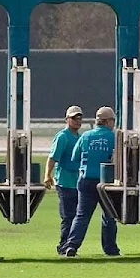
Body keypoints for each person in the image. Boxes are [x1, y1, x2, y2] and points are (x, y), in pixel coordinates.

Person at [62, 106, 119, 258]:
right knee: (109, 215)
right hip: (106, 182)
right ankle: (110, 249)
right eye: (113, 120)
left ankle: (71, 245)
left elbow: (75, 157)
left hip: (85, 180)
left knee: (81, 215)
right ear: (108, 121)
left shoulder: (86, 136)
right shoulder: (115, 137)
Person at [44, 105, 84, 255]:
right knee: (68, 217)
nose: (77, 121)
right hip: (65, 182)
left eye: (79, 118)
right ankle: (63, 246)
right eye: (74, 118)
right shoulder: (62, 137)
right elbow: (53, 157)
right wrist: (47, 175)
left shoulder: (80, 137)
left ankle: (70, 245)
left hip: (77, 182)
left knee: (75, 217)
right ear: (67, 119)